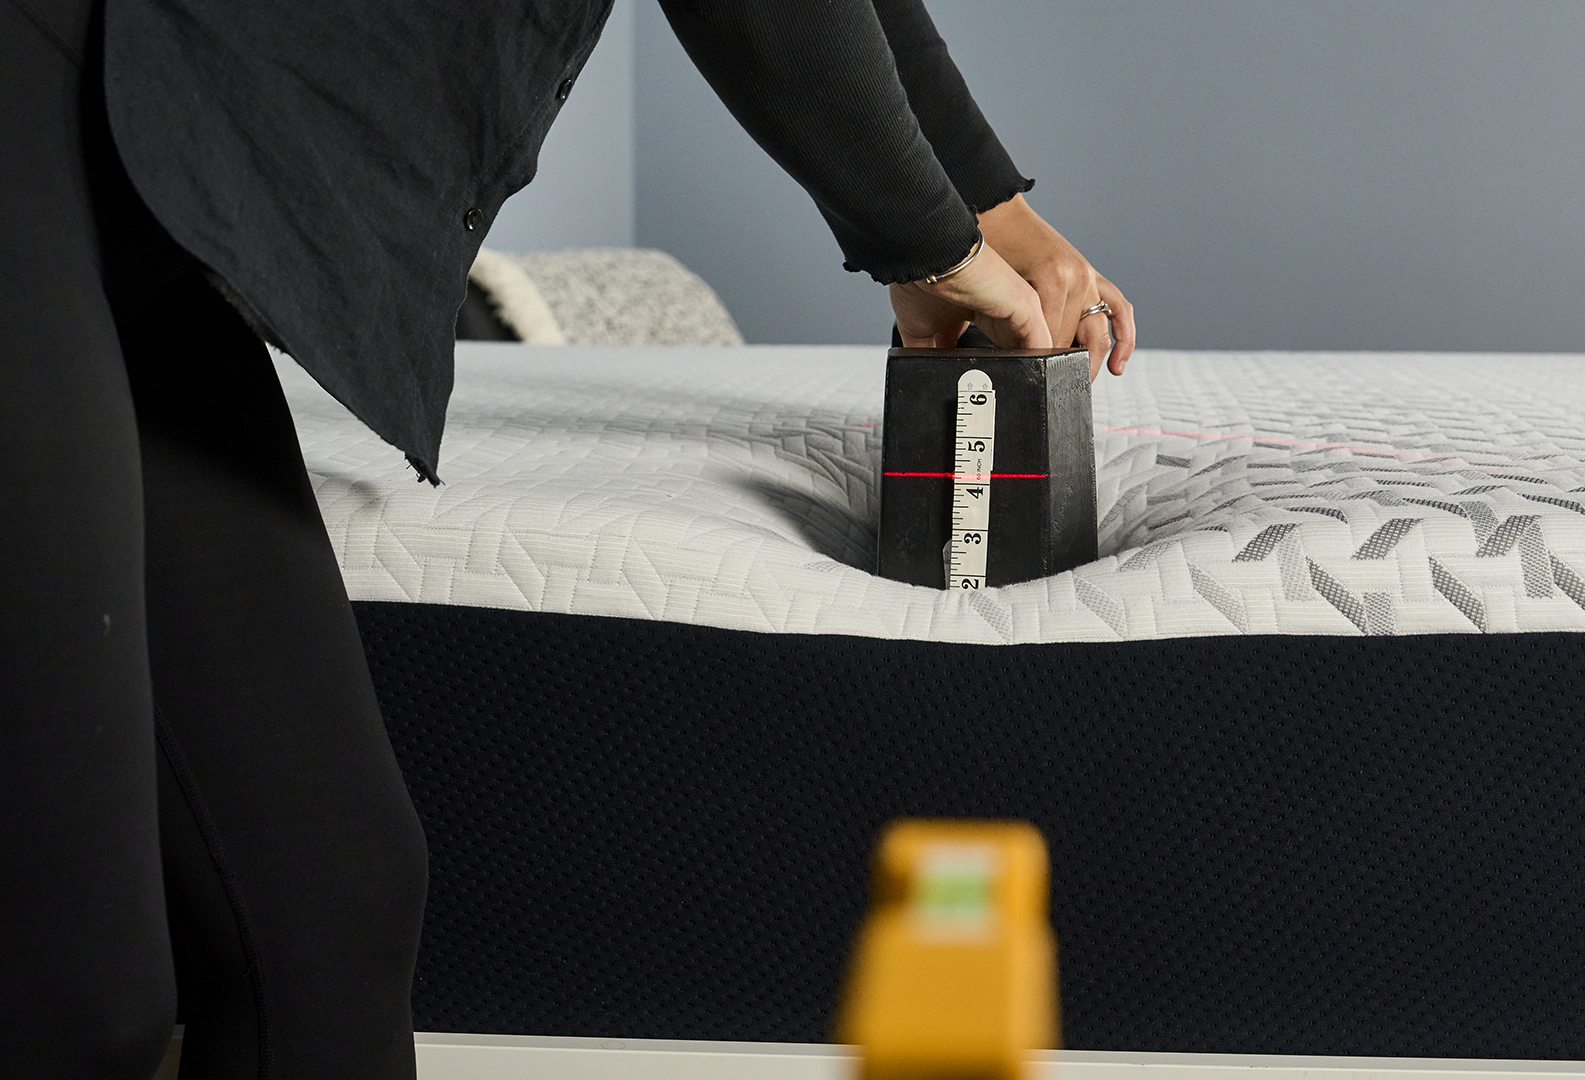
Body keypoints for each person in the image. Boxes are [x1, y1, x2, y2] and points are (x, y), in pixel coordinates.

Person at [0, 0, 1133, 1077]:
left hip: (143, 180)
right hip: (42, 109)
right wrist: (930, 241)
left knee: (323, 916)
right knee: (77, 993)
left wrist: (990, 212)